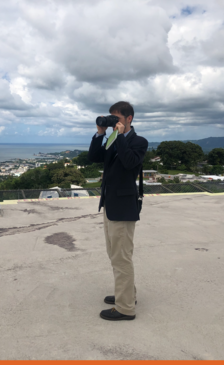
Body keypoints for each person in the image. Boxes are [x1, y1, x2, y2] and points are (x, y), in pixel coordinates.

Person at [88, 101, 148, 321]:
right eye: (111, 118)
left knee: (121, 257)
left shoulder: (139, 141)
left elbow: (130, 162)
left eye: (117, 118)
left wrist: (120, 136)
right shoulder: (113, 140)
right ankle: (126, 295)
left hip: (123, 207)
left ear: (128, 119)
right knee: (115, 255)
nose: (114, 122)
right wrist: (101, 132)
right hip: (110, 205)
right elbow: (93, 158)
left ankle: (125, 308)